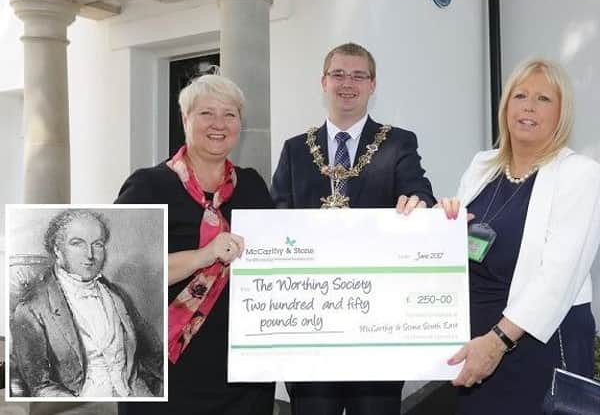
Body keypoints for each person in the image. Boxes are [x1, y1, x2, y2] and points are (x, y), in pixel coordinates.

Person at [271, 42, 436, 415]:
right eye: (339, 74)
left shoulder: (398, 143)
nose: (348, 83)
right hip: (310, 320)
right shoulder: (295, 149)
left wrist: (419, 205)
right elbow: (276, 217)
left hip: (375, 319)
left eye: (359, 75)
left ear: (372, 85)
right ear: (323, 81)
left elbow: (419, 191)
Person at [438, 58, 600, 414]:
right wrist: (433, 223)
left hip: (533, 345)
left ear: (562, 114)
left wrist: (497, 342)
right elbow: (458, 247)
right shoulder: (483, 164)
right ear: (506, 106)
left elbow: (557, 277)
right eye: (520, 95)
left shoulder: (580, 174)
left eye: (544, 99)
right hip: (476, 343)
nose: (528, 106)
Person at [115, 73, 275, 415]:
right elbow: (121, 274)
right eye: (206, 113)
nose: (219, 124)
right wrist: (204, 255)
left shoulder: (252, 186)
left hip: (241, 371)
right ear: (185, 119)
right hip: (166, 367)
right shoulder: (149, 186)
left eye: (230, 114)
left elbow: (275, 259)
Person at [11, 209, 163, 398]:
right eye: (77, 243)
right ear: (57, 250)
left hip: (134, 395)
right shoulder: (30, 310)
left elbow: (154, 354)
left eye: (97, 244)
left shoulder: (117, 296)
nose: (90, 254)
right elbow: (41, 386)